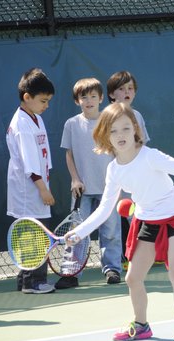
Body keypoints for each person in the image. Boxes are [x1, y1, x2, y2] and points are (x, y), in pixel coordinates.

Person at [64, 103, 174, 341]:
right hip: (146, 221)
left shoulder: (150, 156)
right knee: (133, 278)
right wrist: (79, 232)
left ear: (135, 130)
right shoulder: (113, 170)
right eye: (113, 131)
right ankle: (141, 325)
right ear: (105, 135)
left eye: (126, 128)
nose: (120, 135)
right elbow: (104, 208)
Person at [57, 77, 122, 289]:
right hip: (82, 191)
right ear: (77, 101)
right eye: (84, 97)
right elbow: (69, 154)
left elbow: (119, 152)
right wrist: (75, 178)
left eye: (93, 96)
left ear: (102, 98)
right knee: (77, 231)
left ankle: (112, 269)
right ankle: (71, 272)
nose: (89, 100)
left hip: (108, 190)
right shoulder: (71, 124)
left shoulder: (110, 121)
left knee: (111, 230)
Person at [6, 68, 56, 294]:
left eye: (48, 101)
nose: (46, 105)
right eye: (43, 100)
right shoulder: (22, 124)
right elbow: (30, 164)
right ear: (27, 97)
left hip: (39, 187)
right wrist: (43, 189)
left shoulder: (36, 118)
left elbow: (43, 154)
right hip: (29, 190)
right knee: (33, 234)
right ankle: (32, 282)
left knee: (38, 233)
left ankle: (25, 279)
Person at [106, 71, 150, 270]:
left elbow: (142, 145)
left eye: (130, 88)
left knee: (139, 215)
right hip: (117, 176)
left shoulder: (137, 116)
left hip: (138, 177)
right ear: (111, 94)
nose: (126, 92)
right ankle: (121, 258)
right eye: (121, 88)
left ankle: (142, 254)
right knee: (116, 220)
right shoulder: (107, 116)